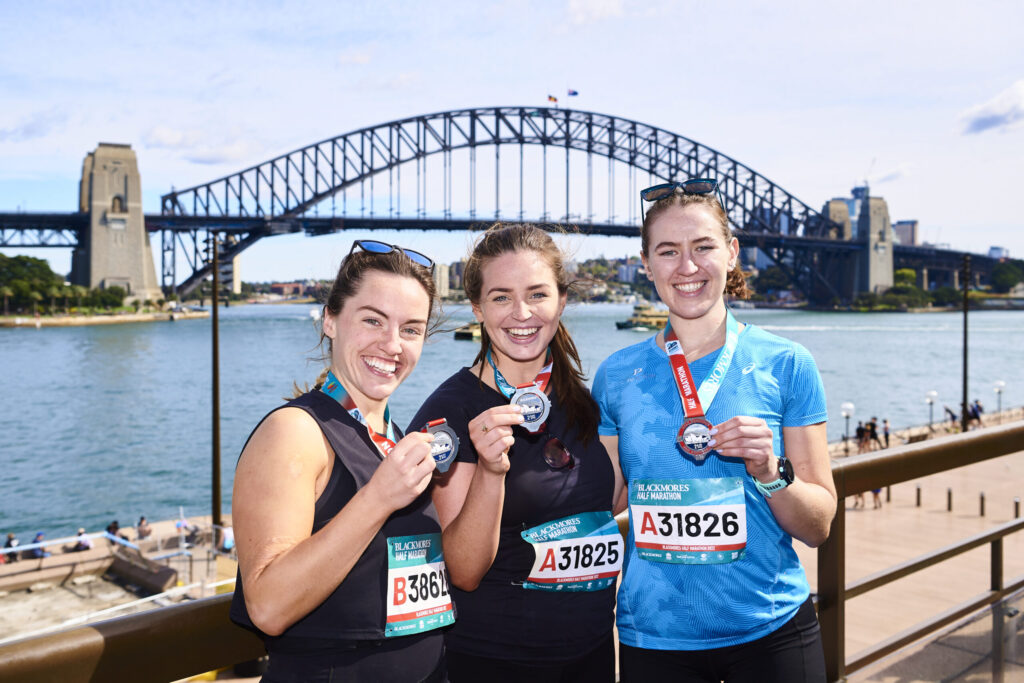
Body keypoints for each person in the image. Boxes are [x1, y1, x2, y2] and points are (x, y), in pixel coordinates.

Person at [593, 179, 836, 682]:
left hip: (771, 632)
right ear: (646, 264)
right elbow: (605, 500)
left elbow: (818, 526)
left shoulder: (787, 363)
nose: (687, 267)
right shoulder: (616, 375)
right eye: (668, 251)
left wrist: (770, 471)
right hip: (654, 636)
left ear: (731, 254)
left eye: (703, 247)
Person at [230, 240, 450, 682]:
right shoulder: (296, 431)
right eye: (372, 320)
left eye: (411, 329)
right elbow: (268, 606)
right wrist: (377, 499)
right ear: (330, 319)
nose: (392, 345)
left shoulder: (392, 436)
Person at [410, 223, 622, 682]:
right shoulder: (451, 414)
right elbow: (462, 571)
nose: (521, 313)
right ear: (477, 308)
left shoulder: (581, 402)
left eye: (537, 294)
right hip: (496, 661)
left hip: (591, 654)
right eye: (501, 296)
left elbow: (604, 506)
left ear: (561, 301)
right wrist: (490, 471)